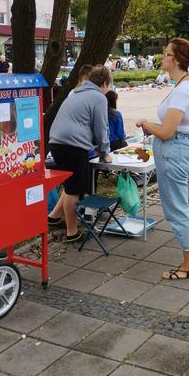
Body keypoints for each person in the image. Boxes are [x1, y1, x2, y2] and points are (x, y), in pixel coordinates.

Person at [136, 38, 189, 280]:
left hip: (174, 150)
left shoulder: (184, 89)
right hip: (178, 149)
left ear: (177, 60)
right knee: (180, 204)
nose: (163, 56)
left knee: (175, 210)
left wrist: (146, 123)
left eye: (166, 53)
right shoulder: (188, 85)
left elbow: (166, 132)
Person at [48, 66, 113, 243]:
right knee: (74, 190)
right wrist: (105, 152)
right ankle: (72, 232)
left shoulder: (76, 92)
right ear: (105, 83)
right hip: (72, 145)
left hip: (57, 142)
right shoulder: (98, 97)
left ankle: (53, 216)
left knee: (71, 183)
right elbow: (101, 127)